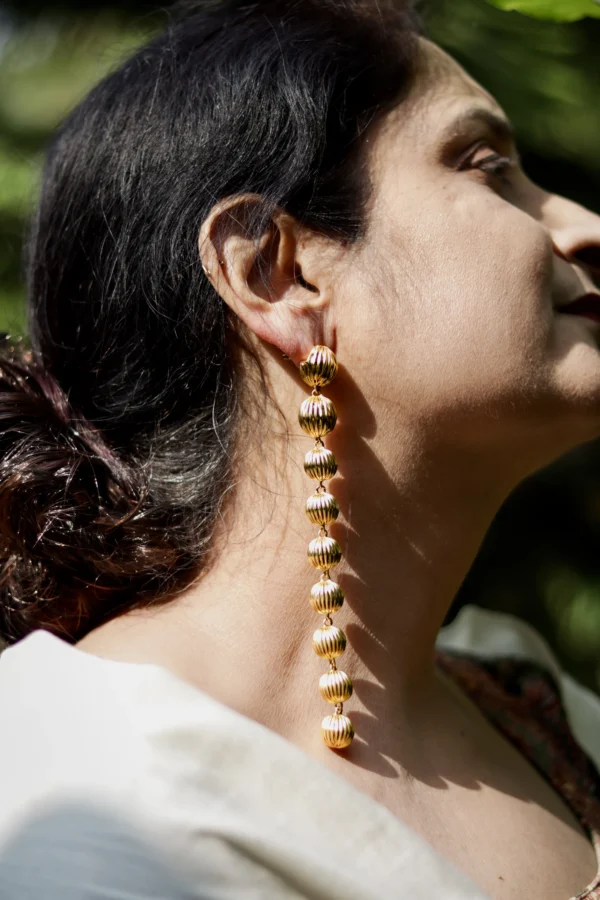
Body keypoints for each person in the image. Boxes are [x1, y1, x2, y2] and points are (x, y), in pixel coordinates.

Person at [0, 0, 600, 897]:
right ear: (277, 274)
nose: (585, 223)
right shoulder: (72, 785)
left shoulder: (545, 709)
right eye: (489, 168)